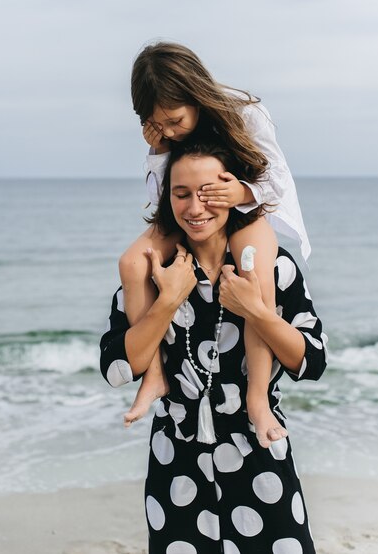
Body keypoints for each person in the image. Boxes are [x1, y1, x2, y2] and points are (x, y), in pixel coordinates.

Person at [100, 140, 327, 553]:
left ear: (232, 193)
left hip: (260, 453)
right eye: (181, 194)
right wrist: (168, 301)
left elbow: (311, 361)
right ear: (167, 200)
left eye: (208, 193)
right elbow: (117, 366)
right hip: (175, 463)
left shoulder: (272, 268)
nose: (195, 207)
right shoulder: (153, 276)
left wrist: (257, 311)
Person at [119, 41, 310, 448]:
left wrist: (238, 193)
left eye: (174, 120)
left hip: (248, 208)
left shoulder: (246, 113)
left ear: (195, 93)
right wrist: (159, 149)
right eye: (157, 125)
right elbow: (161, 197)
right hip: (190, 213)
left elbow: (277, 179)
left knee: (251, 266)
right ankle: (154, 375)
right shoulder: (165, 136)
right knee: (133, 263)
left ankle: (257, 399)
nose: (169, 130)